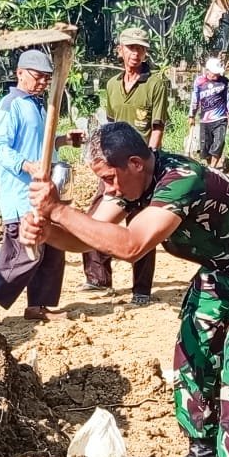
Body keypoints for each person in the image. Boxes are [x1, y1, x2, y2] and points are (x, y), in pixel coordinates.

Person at [23, 121, 229, 457]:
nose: (109, 189)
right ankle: (202, 453)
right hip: (221, 265)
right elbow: (89, 239)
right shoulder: (130, 184)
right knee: (191, 353)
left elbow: (131, 246)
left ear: (136, 163)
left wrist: (59, 209)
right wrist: (50, 232)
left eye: (110, 179)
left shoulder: (180, 180)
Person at [0, 49, 76, 321]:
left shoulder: (39, 106)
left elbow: (40, 145)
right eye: (37, 77)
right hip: (20, 196)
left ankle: (39, 305)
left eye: (46, 78)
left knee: (52, 250)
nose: (42, 83)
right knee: (24, 255)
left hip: (44, 193)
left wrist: (63, 140)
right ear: (20, 73)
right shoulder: (11, 105)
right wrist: (28, 165)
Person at [80, 27, 170, 306]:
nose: (136, 53)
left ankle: (141, 290)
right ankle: (98, 278)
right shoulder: (112, 86)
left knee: (141, 225)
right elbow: (108, 127)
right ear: (120, 50)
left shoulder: (155, 83)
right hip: (113, 164)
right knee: (94, 218)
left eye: (141, 49)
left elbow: (157, 126)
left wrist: (150, 162)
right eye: (131, 48)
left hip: (141, 167)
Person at [189, 57, 229, 168]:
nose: (216, 75)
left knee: (219, 143)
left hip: (220, 118)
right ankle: (209, 167)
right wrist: (191, 115)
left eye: (218, 73)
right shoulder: (199, 82)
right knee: (205, 147)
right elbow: (195, 99)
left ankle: (213, 167)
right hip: (205, 120)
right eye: (214, 73)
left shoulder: (224, 82)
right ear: (207, 71)